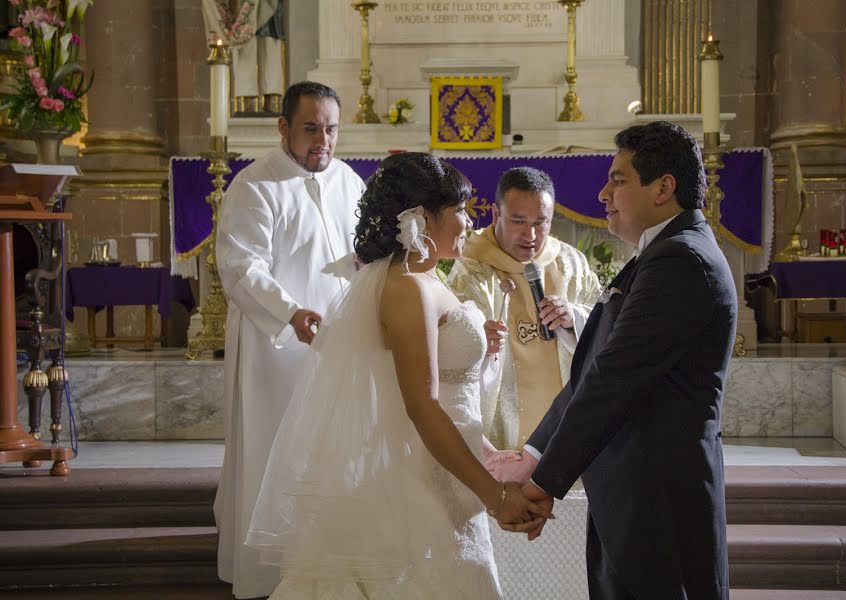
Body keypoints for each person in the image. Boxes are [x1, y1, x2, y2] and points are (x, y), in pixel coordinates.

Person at [246, 152, 551, 598]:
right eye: (460, 211)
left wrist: (489, 455)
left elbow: (446, 391)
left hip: (445, 476)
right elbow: (421, 406)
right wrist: (495, 496)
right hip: (420, 489)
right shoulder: (407, 287)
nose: (469, 222)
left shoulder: (425, 278)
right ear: (423, 218)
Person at [518, 122, 737, 599]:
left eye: (618, 179)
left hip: (660, 496)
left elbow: (612, 380)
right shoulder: (661, 252)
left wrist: (543, 484)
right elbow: (595, 366)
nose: (602, 193)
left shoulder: (682, 260)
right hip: (634, 490)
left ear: (663, 187)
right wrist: (534, 456)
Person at [214, 81, 365, 599]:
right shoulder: (254, 186)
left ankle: (326, 566)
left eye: (331, 128)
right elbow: (239, 267)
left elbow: (359, 253)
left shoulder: (349, 182)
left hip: (341, 344)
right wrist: (290, 311)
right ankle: (270, 572)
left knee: (335, 450)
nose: (322, 139)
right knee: (275, 450)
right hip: (274, 349)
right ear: (283, 128)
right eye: (310, 127)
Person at [447, 167, 599, 466]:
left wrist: (575, 318)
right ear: (496, 215)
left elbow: (608, 327)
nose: (530, 236)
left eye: (540, 223)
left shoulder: (570, 265)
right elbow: (450, 352)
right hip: (500, 432)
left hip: (567, 431)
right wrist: (479, 339)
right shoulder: (471, 270)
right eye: (518, 221)